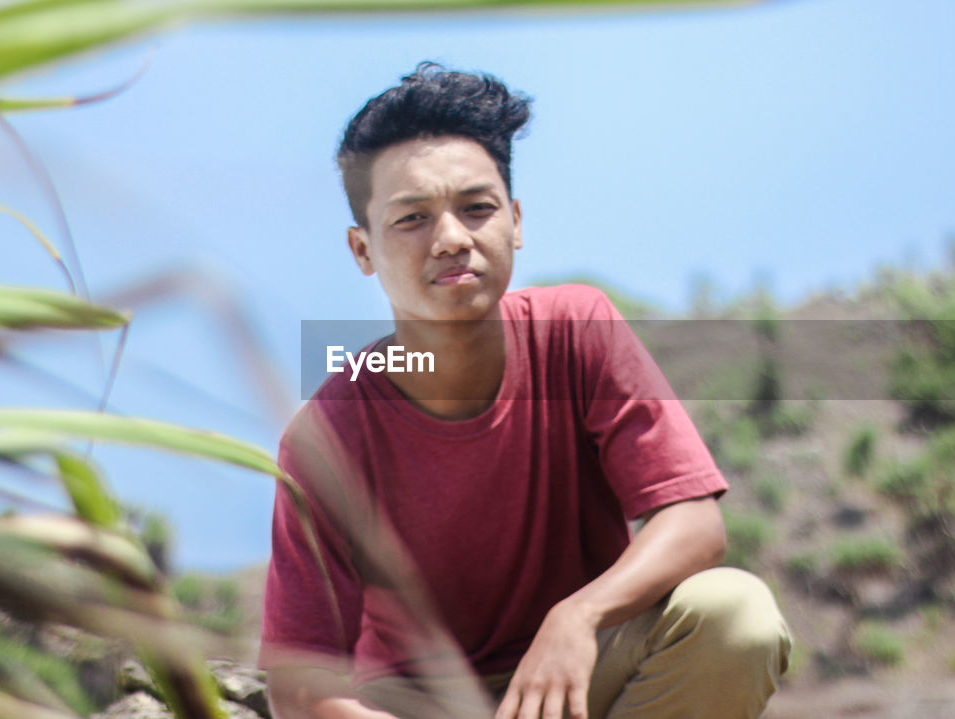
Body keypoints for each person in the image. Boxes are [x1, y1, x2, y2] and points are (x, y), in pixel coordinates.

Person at [261, 62, 791, 719]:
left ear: (515, 221)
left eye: (477, 208)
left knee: (735, 612)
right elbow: (302, 687)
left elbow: (695, 521)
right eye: (412, 219)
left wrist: (578, 615)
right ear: (361, 249)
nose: (453, 239)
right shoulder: (326, 434)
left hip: (578, 677)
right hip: (415, 706)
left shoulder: (576, 328)